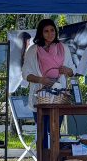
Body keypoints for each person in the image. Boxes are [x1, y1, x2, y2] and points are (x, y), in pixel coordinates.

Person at [22, 19, 75, 150]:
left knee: (55, 132)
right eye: (46, 31)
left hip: (59, 96)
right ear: (41, 33)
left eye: (52, 30)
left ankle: (55, 160)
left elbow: (72, 71)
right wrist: (41, 80)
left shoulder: (63, 48)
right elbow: (25, 74)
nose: (50, 34)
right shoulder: (33, 50)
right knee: (42, 133)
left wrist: (67, 70)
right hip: (40, 96)